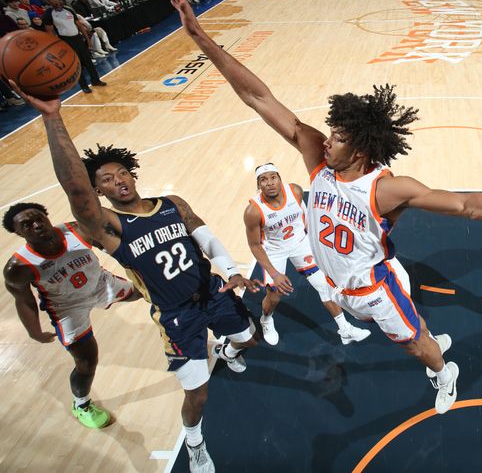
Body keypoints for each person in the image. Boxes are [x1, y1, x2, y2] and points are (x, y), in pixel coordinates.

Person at [171, 0, 482, 415]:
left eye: (337, 137)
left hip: (374, 286)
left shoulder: (384, 188)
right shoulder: (319, 163)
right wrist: (200, 37)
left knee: (416, 347)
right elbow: (259, 98)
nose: (326, 141)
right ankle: (423, 334)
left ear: (359, 147)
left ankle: (443, 371)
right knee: (404, 329)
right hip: (338, 284)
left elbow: (466, 205)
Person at [9, 87, 262, 473]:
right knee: (197, 394)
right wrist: (52, 117)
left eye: (123, 172)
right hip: (177, 316)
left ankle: (226, 350)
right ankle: (195, 442)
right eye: (107, 180)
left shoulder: (173, 204)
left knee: (249, 338)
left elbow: (205, 237)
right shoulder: (109, 228)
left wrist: (230, 271)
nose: (119, 180)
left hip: (214, 292)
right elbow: (76, 190)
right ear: (99, 192)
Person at [3, 202, 141, 429]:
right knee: (86, 362)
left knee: (147, 291)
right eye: (27, 225)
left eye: (39, 218)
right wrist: (34, 331)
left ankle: (181, 332)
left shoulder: (78, 230)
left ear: (47, 215)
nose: (37, 225)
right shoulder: (18, 267)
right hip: (67, 308)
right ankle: (82, 405)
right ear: (17, 233)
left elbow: (113, 246)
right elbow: (24, 301)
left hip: (100, 284)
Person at [245, 163, 371, 346]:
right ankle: (266, 319)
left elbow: (307, 218)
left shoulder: (295, 192)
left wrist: (317, 244)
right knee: (275, 295)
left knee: (324, 285)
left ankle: (345, 330)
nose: (270, 183)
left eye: (273, 177)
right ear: (259, 185)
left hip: (300, 243)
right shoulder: (253, 211)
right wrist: (274, 274)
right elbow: (255, 245)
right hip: (274, 250)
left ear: (280, 178)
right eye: (264, 180)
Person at [41, 0, 107, 94]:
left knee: (88, 61)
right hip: (66, 41)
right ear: (48, 1)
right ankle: (84, 86)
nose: (54, 0)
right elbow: (50, 32)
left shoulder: (68, 9)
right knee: (77, 64)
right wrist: (58, 46)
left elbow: (79, 25)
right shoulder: (48, 14)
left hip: (78, 38)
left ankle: (96, 80)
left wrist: (87, 38)